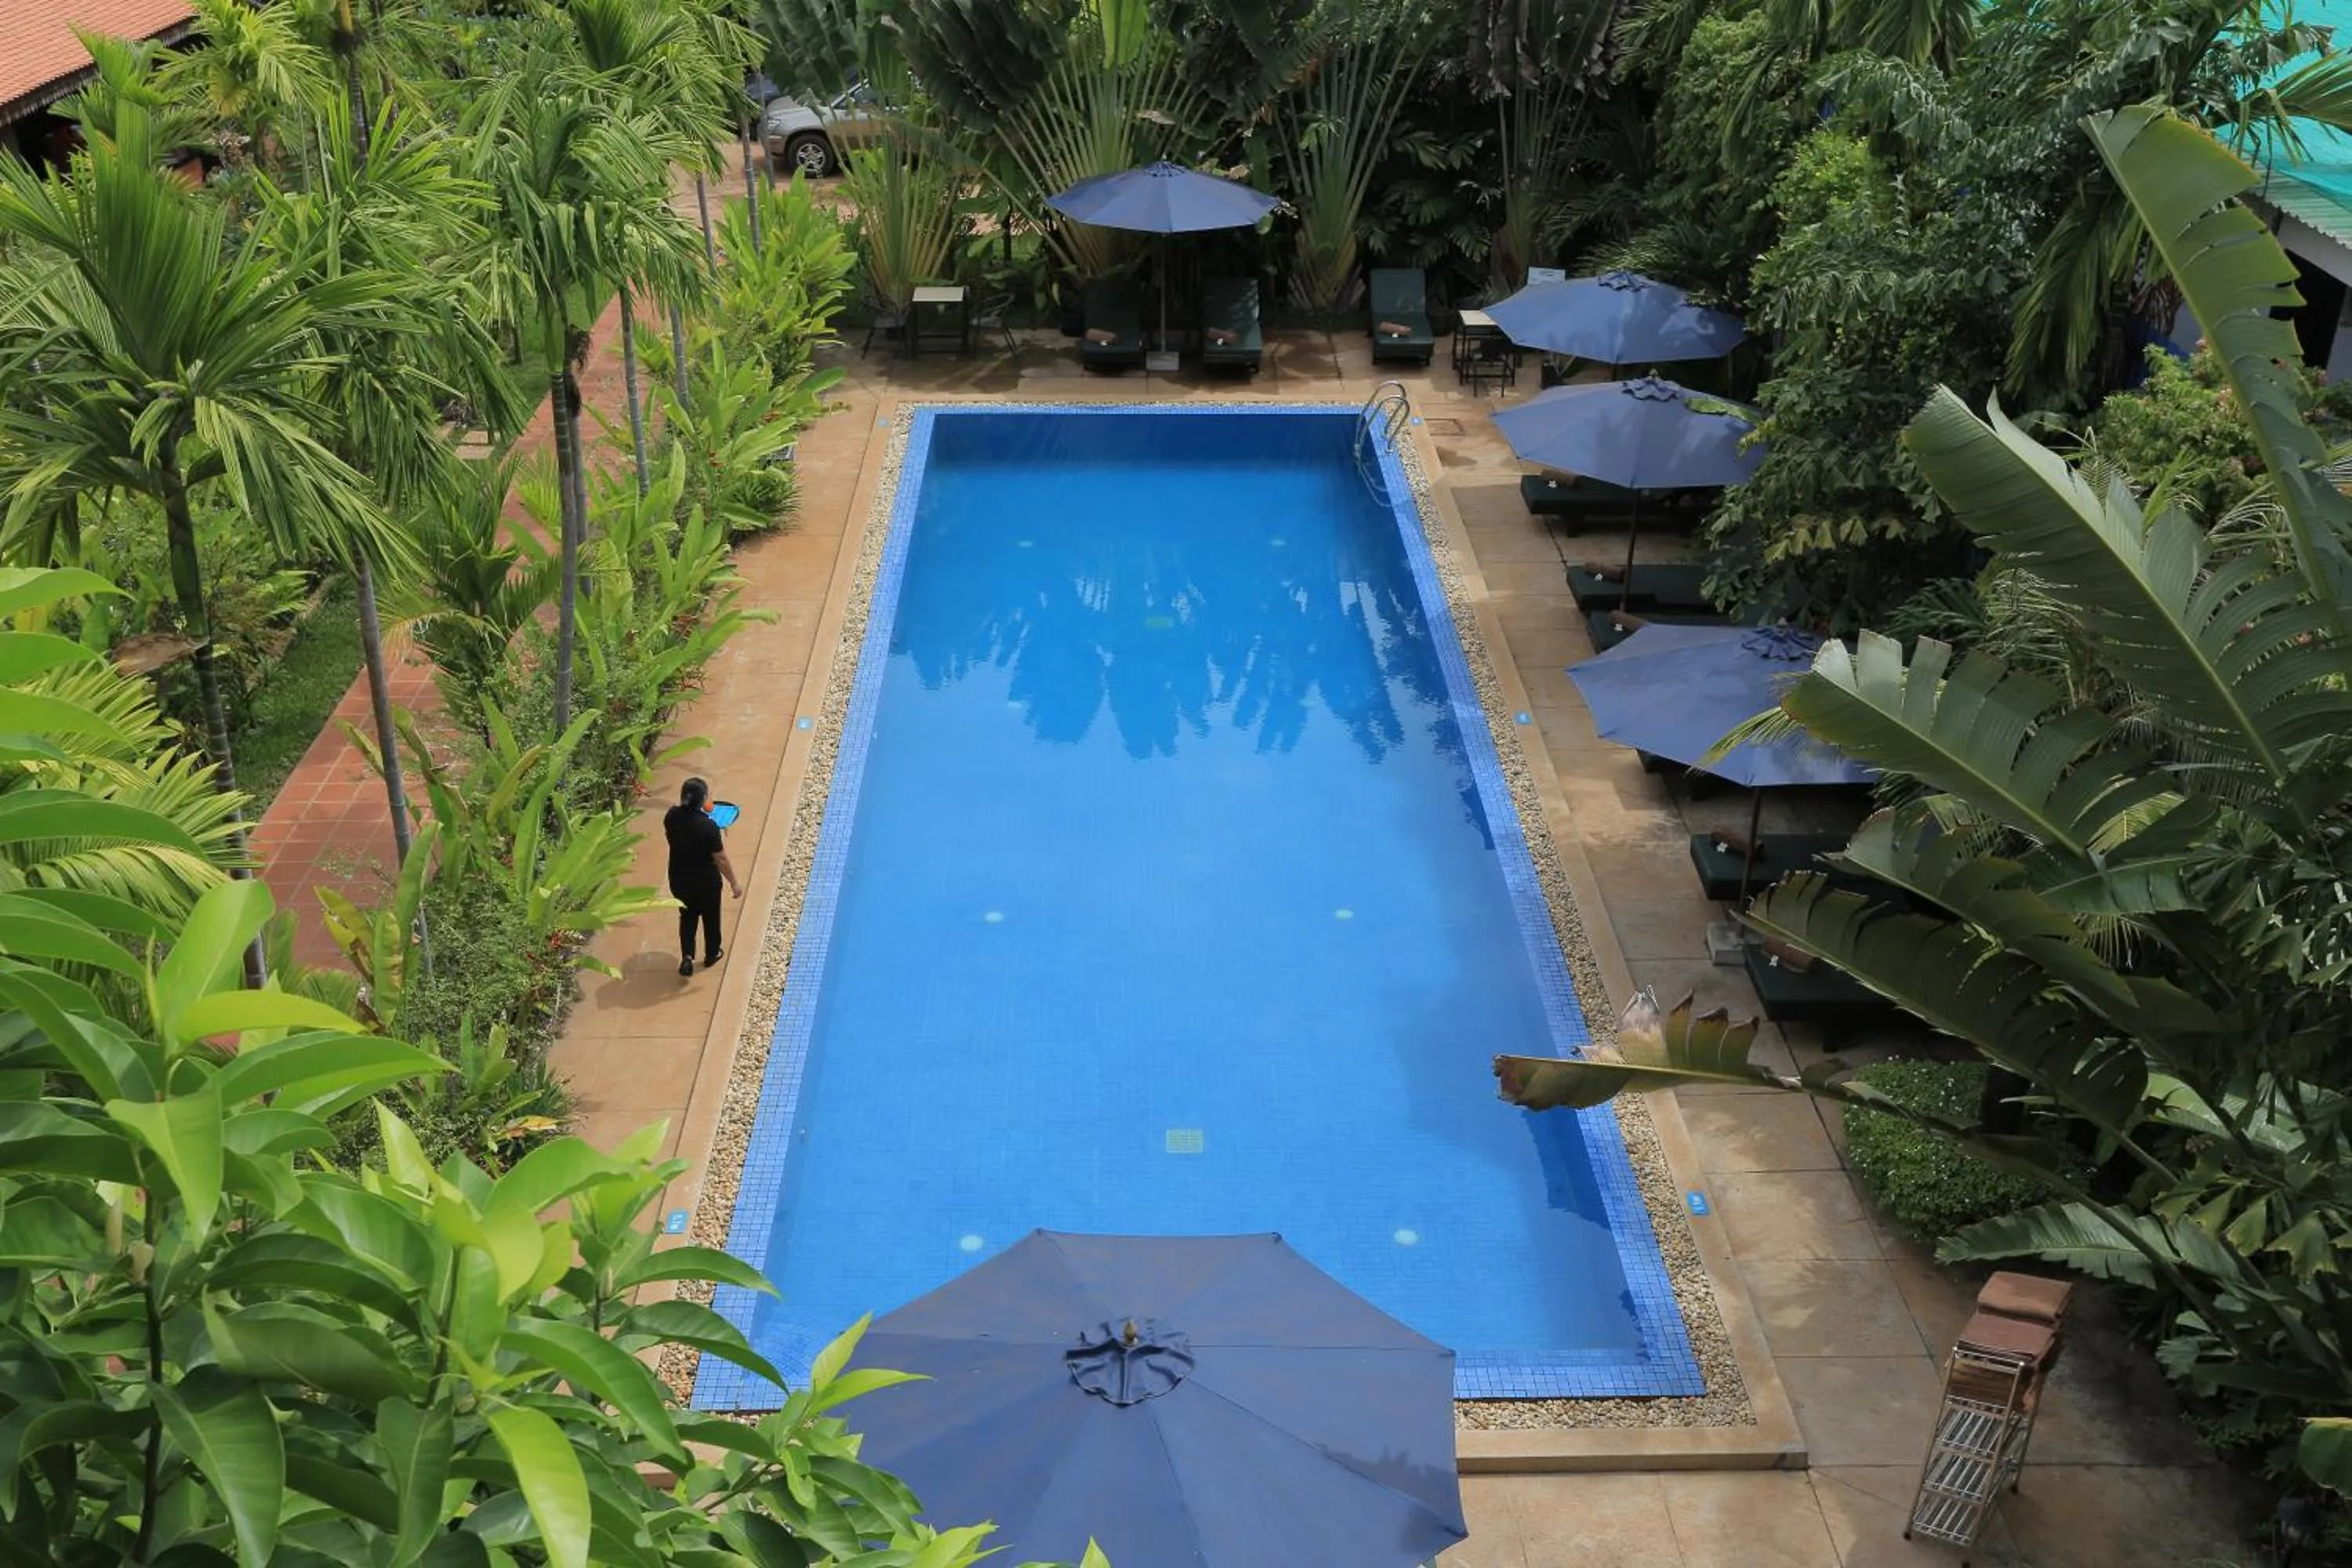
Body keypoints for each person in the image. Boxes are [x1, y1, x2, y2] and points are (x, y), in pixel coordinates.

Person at [664, 778, 739, 977]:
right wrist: (734, 883)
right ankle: (711, 954)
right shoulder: (709, 827)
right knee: (711, 917)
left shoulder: (671, 816)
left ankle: (687, 957)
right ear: (703, 800)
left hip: (680, 880)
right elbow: (721, 859)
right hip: (706, 883)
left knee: (687, 916)